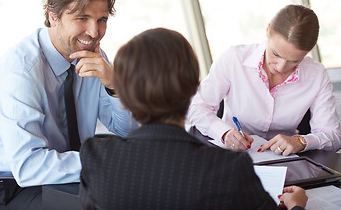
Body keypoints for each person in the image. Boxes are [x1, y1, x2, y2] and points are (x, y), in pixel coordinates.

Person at [79, 27, 308, 210]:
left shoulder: (98, 158)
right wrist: (296, 206)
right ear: (192, 90)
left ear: (125, 97)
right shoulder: (228, 169)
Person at [0, 0, 136, 209]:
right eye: (82, 18)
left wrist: (114, 85)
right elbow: (28, 167)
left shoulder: (93, 57)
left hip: (71, 174)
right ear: (52, 16)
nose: (94, 32)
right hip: (16, 187)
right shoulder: (20, 73)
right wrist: (100, 162)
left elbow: (126, 129)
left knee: (146, 192)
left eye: (102, 19)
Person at [188, 4, 341, 156]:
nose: (281, 67)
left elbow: (333, 136)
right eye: (276, 54)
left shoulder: (316, 74)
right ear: (268, 31)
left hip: (286, 162)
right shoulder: (234, 59)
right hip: (233, 156)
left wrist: (301, 142)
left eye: (294, 61)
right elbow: (197, 108)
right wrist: (224, 132)